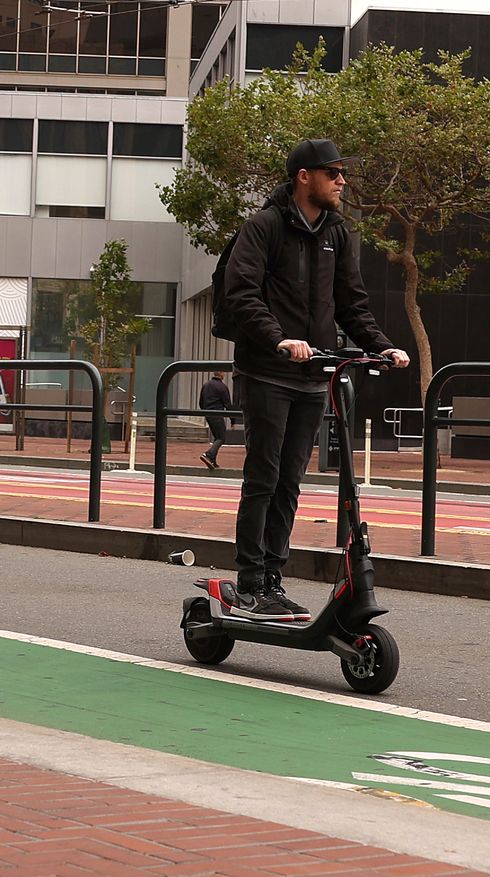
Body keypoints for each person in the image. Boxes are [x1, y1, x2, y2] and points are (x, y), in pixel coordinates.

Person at [218, 138, 410, 619]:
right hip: (267, 371)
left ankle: (273, 579)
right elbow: (241, 293)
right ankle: (250, 580)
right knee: (263, 477)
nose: (342, 181)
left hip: (312, 376)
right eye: (333, 173)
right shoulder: (264, 227)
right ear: (305, 177)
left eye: (342, 172)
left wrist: (381, 346)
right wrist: (279, 338)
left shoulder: (336, 234)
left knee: (290, 481)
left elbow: (351, 303)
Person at [198, 371, 232, 469]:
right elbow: (227, 404)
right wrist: (233, 419)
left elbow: (201, 402)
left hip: (208, 414)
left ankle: (212, 460)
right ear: (221, 374)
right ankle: (208, 455)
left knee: (217, 437)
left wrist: (205, 411)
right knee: (221, 438)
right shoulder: (222, 387)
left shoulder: (206, 385)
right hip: (217, 414)